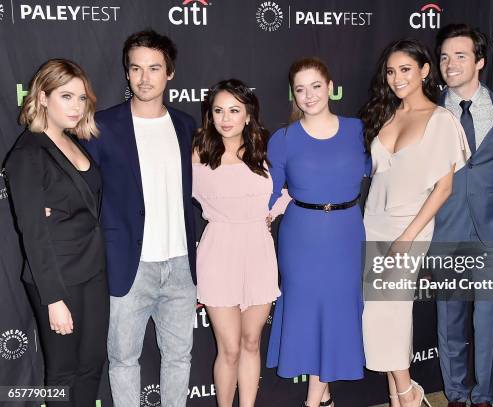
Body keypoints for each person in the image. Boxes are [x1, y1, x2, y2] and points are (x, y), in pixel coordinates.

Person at [82, 30, 198, 407]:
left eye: (154, 68)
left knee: (179, 358)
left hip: (180, 266)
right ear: (127, 73)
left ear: (170, 73)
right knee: (123, 360)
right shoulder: (102, 125)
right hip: (128, 266)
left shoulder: (185, 125)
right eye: (136, 68)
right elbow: (80, 187)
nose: (144, 78)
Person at [360, 39, 469, 407]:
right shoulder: (388, 114)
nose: (396, 78)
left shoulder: (441, 120)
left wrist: (408, 236)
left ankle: (407, 393)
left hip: (410, 225)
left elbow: (444, 188)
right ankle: (399, 394)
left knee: (387, 309)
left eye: (405, 69)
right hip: (373, 222)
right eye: (390, 71)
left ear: (424, 71)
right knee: (381, 314)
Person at [265, 57, 368, 407]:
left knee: (338, 313)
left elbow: (387, 169)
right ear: (293, 94)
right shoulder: (283, 139)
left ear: (330, 87)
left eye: (315, 86)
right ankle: (318, 400)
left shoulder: (358, 130)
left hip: (346, 235)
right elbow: (270, 192)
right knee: (308, 317)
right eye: (300, 89)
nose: (308, 96)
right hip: (301, 238)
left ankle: (320, 400)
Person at [5, 59, 107, 407]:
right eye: (67, 96)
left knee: (92, 366)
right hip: (57, 278)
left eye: (82, 98)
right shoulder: (27, 154)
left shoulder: (73, 142)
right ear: (43, 97)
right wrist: (53, 299)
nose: (77, 107)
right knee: (63, 373)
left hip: (93, 270)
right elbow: (33, 233)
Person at [431, 24, 493, 407]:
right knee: (449, 320)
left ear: (480, 61)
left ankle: (483, 396)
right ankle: (454, 394)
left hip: (492, 232)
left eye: (460, 55)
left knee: (487, 322)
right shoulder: (427, 110)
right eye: (444, 56)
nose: (450, 64)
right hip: (445, 230)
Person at [192, 79, 289, 407]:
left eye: (234, 110)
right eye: (218, 110)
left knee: (251, 342)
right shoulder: (199, 152)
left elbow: (287, 190)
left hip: (258, 250)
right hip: (218, 250)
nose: (226, 117)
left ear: (248, 115)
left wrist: (271, 213)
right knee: (229, 347)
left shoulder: (266, 149)